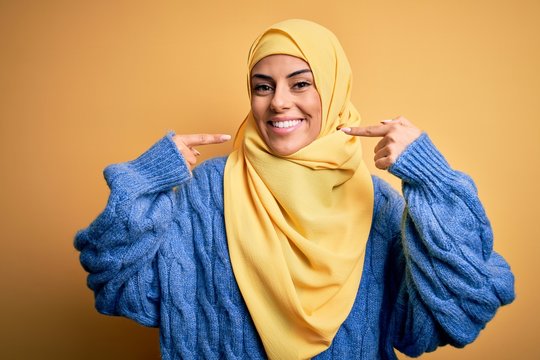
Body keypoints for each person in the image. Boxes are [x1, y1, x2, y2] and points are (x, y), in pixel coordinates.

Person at [75, 19, 514, 360]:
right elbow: (120, 287)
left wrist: (431, 177)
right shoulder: (207, 193)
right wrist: (145, 180)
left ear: (334, 89)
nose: (279, 102)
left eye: (301, 83)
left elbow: (462, 309)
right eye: (262, 87)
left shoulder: (377, 204)